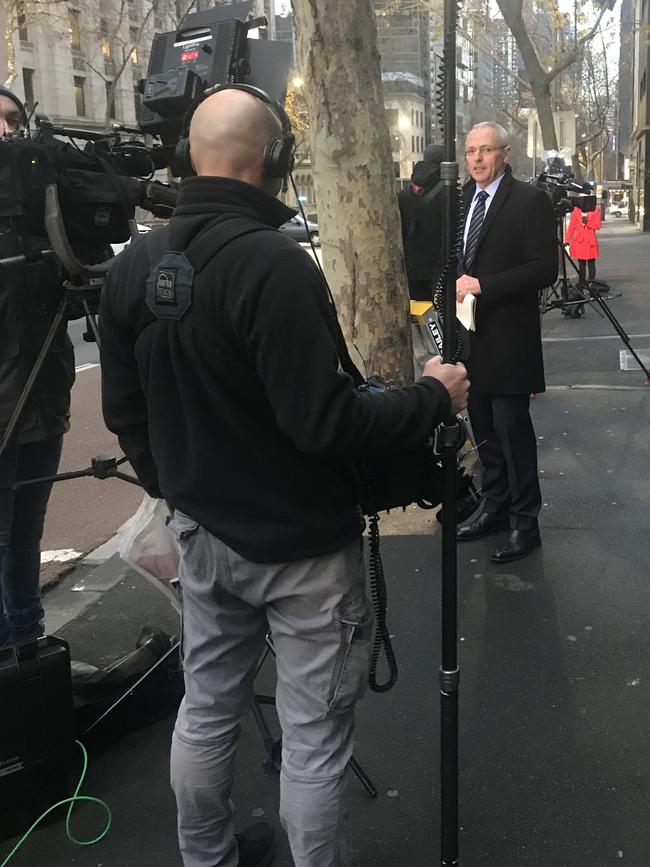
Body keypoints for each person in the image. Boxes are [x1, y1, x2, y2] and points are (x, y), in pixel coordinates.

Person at [99, 86, 470, 867]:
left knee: (206, 709)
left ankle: (207, 857)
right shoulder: (274, 266)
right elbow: (326, 423)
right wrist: (432, 394)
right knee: (313, 739)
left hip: (203, 538)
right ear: (277, 160)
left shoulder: (132, 267)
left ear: (187, 158)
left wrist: (183, 490)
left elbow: (126, 416)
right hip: (301, 552)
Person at [455, 122, 558, 563]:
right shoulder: (461, 200)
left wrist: (484, 286)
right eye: (471, 151)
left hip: (510, 340)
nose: (477, 159)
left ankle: (524, 523)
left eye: (486, 151)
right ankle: (492, 507)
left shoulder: (531, 201)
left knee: (512, 433)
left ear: (505, 153)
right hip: (469, 339)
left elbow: (543, 270)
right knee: (483, 433)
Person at [0, 85, 75, 648]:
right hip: (4, 414)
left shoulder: (42, 218)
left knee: (26, 539)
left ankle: (30, 651)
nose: (6, 130)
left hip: (44, 405)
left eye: (13, 119)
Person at [565, 203, 601, 285]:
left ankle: (591, 283)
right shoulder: (576, 210)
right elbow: (572, 226)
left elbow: (597, 225)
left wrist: (587, 222)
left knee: (591, 263)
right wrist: (567, 240)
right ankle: (582, 283)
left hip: (590, 241)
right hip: (579, 242)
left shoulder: (595, 210)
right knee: (581, 265)